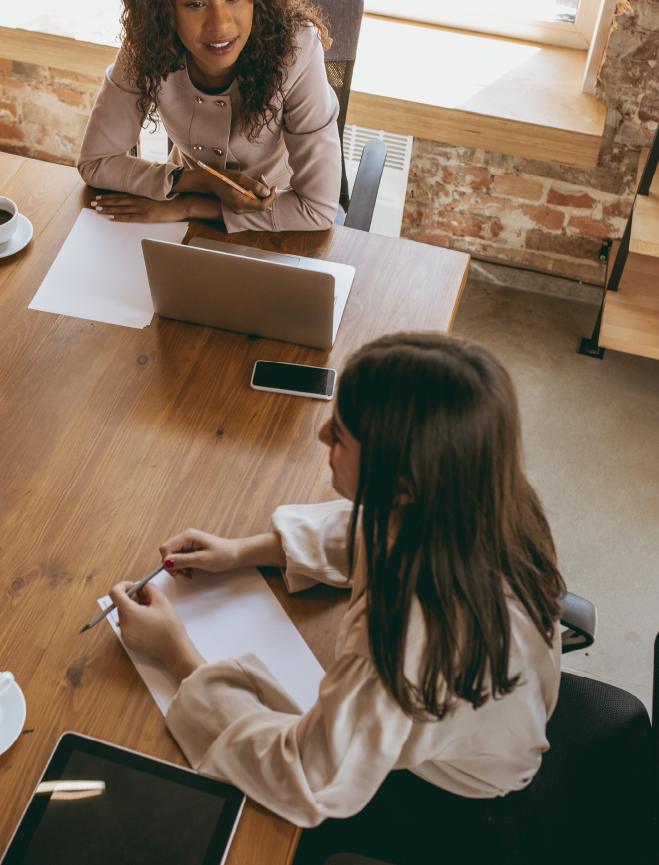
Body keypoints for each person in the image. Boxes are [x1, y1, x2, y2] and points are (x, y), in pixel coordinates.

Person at [109, 333, 566, 863]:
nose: (321, 430)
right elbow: (378, 529)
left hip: (455, 813)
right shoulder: (480, 497)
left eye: (342, 432)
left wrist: (177, 656)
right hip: (484, 739)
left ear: (402, 482)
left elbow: (305, 773)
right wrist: (246, 551)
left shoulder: (408, 638)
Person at [77, 0, 343, 233]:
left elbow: (318, 211)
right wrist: (200, 182)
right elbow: (95, 162)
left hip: (275, 218)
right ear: (162, 10)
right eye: (194, 4)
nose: (220, 25)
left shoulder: (298, 48)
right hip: (182, 200)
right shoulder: (147, 43)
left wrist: (191, 206)